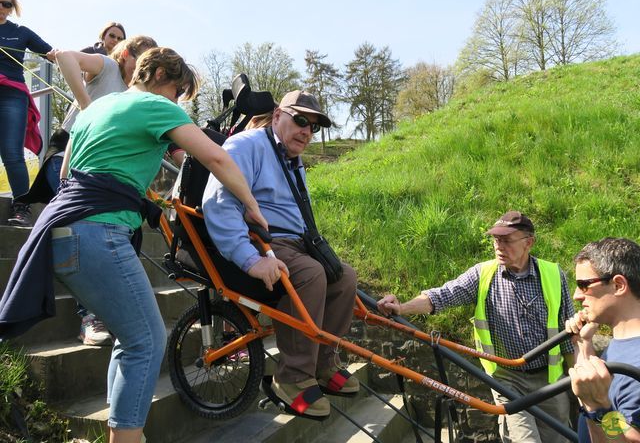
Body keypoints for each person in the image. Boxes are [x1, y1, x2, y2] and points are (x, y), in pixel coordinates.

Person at [0, 46, 267, 443]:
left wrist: (138, 198)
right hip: (97, 233)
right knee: (148, 339)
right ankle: (126, 438)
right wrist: (251, 206)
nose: (177, 103)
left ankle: (123, 433)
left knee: (130, 338)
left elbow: (72, 172)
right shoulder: (154, 106)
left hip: (59, 230)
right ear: (159, 74)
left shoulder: (94, 111)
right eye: (177, 91)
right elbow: (218, 159)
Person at [202, 90, 359, 418]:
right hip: (263, 240)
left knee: (345, 277)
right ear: (276, 117)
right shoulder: (247, 146)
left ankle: (324, 363)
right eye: (300, 120)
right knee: (311, 275)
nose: (306, 130)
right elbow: (218, 202)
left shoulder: (293, 161)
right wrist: (251, 258)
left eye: (313, 127)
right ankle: (293, 378)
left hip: (298, 241)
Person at [377, 210, 575, 443]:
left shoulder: (553, 274)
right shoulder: (483, 274)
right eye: (496, 240)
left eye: (507, 240)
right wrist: (402, 308)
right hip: (507, 379)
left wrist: (576, 377)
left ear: (528, 242)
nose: (499, 246)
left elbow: (569, 333)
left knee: (559, 438)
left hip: (549, 379)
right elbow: (442, 296)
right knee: (525, 440)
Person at [20, 35, 158, 346]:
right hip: (68, 156)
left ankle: (104, 309)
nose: (144, 66)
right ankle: (89, 317)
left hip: (94, 167)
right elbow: (67, 57)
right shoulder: (107, 67)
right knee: (85, 226)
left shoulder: (129, 93)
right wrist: (87, 105)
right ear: (125, 54)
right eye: (141, 57)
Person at [565, 238, 640, 442]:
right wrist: (583, 344)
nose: (576, 295)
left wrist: (597, 407)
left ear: (618, 285)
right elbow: (593, 384)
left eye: (583, 285)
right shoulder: (622, 343)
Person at [0, 0, 54, 226]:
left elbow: (51, 53)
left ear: (12, 7)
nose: (1, 7)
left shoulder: (20, 33)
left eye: (6, 3)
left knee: (12, 152)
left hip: (12, 94)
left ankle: (21, 206)